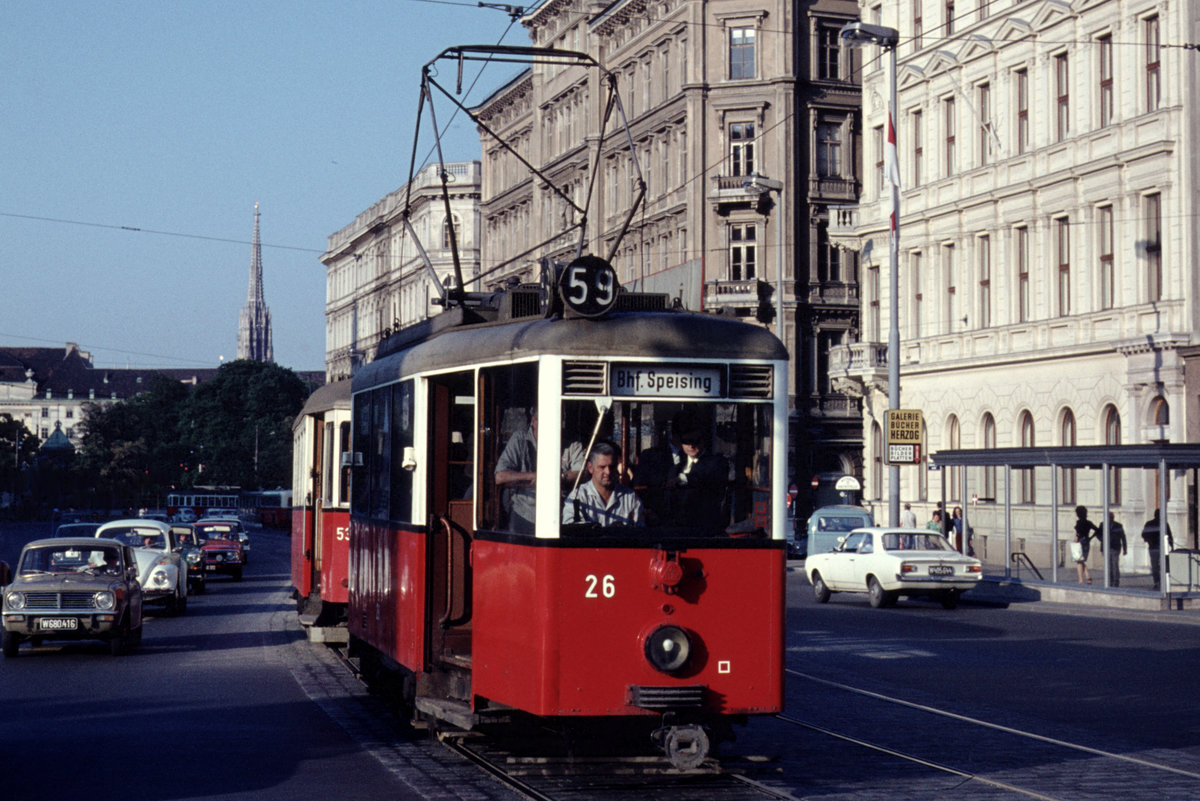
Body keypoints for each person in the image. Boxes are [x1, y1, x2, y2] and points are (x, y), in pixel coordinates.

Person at [562, 441, 643, 526]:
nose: (608, 472)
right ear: (590, 468)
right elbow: (571, 533)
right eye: (602, 467)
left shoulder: (631, 499)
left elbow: (640, 534)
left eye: (611, 467)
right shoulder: (577, 498)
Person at [1141, 509, 1174, 590]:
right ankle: (1157, 582)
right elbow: (1144, 534)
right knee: (1156, 566)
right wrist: (1149, 541)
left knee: (1160, 565)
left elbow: (1169, 535)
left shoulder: (1164, 524)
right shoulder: (1150, 524)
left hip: (1161, 547)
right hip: (1154, 547)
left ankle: (1161, 582)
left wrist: (1171, 545)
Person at [1072, 505, 1099, 584]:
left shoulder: (1079, 522)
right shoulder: (1088, 522)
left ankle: (1081, 579)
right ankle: (1088, 576)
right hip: (1086, 541)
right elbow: (1097, 530)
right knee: (1081, 560)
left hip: (1079, 540)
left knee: (1079, 561)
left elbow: (1078, 532)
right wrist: (1091, 537)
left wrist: (1076, 537)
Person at [1103, 512, 1127, 587]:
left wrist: (1125, 548)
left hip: (1115, 547)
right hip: (1106, 547)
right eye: (1109, 517)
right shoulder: (1103, 525)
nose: (1110, 519)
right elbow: (1098, 533)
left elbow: (1123, 537)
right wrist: (1102, 539)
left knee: (1115, 564)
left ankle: (1116, 581)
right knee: (1108, 565)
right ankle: (1109, 580)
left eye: (1111, 517)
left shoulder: (1118, 525)